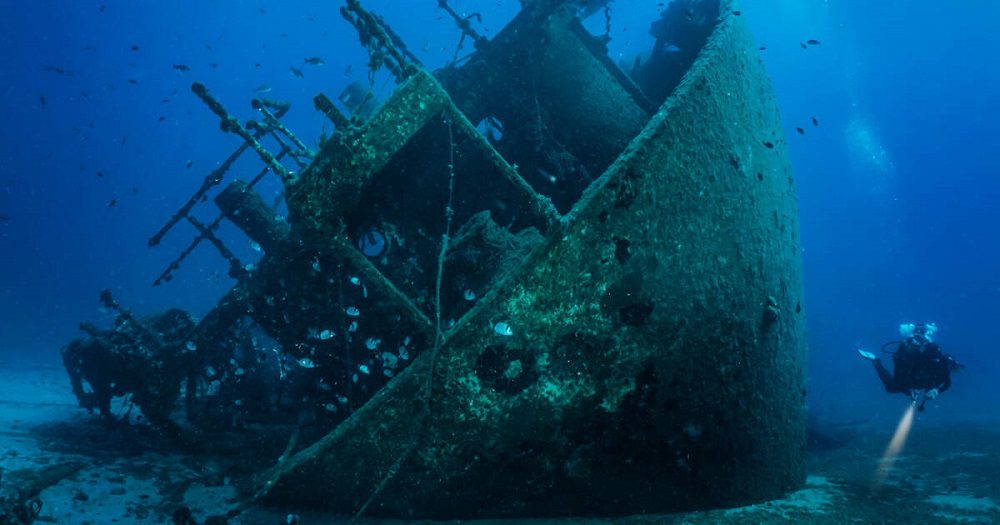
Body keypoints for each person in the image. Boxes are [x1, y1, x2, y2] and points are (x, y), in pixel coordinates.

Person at [858, 323, 961, 411]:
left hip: (926, 382)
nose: (919, 345)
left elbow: (947, 381)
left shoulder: (935, 357)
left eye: (922, 342)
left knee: (894, 387)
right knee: (890, 388)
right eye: (916, 342)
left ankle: (876, 362)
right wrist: (908, 392)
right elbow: (898, 379)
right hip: (911, 380)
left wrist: (936, 391)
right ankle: (875, 361)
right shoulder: (905, 357)